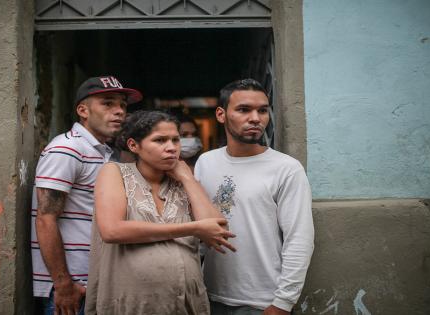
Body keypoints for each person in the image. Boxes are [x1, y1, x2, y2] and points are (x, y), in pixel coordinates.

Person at [85, 111, 236, 315]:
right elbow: (112, 230)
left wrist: (188, 179)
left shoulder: (184, 183)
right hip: (129, 304)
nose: (171, 147)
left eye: (175, 140)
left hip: (185, 304)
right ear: (133, 145)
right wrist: (193, 228)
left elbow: (218, 232)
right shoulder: (115, 173)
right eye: (160, 140)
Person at [194, 79, 314, 315]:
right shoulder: (206, 162)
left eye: (262, 110)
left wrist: (282, 303)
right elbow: (198, 232)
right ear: (221, 114)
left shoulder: (286, 168)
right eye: (243, 110)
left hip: (260, 302)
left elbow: (299, 239)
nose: (256, 118)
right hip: (207, 296)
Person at [31, 76, 142, 315]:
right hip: (71, 287)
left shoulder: (106, 153)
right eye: (108, 103)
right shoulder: (67, 149)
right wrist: (62, 284)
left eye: (123, 105)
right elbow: (45, 218)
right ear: (83, 110)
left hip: (98, 280)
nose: (119, 111)